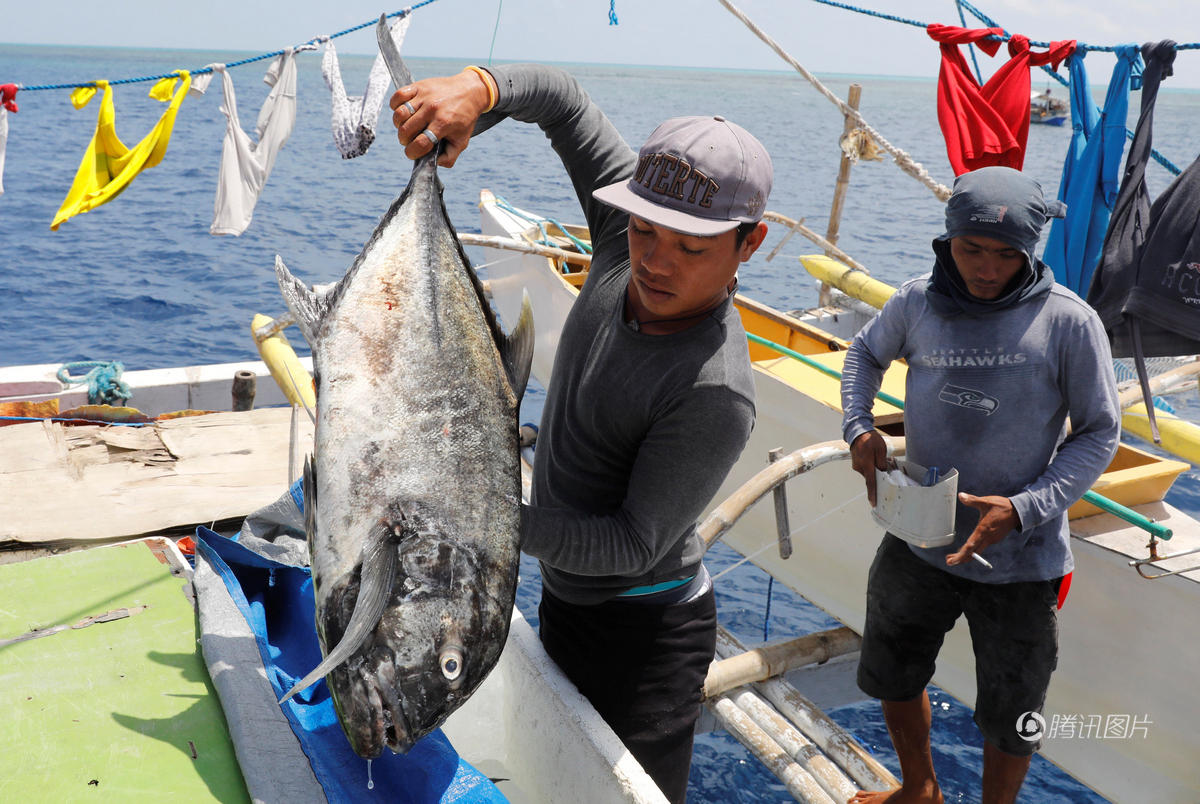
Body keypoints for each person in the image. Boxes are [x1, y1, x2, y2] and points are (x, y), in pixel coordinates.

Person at [389, 64, 772, 803]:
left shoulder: (713, 390)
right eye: (644, 230)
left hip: (645, 640)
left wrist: (481, 524)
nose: (655, 262)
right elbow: (562, 102)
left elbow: (629, 543)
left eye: (692, 249)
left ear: (747, 245)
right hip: (565, 599)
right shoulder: (626, 243)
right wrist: (479, 90)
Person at [839, 166, 1120, 804]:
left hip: (1021, 562)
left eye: (1005, 254)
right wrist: (859, 429)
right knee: (892, 670)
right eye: (971, 249)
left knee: (1013, 713)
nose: (986, 268)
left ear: (1031, 251)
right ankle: (919, 788)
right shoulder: (916, 301)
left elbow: (1101, 431)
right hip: (919, 538)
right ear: (947, 241)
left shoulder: (1069, 322)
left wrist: (1025, 509)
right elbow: (863, 353)